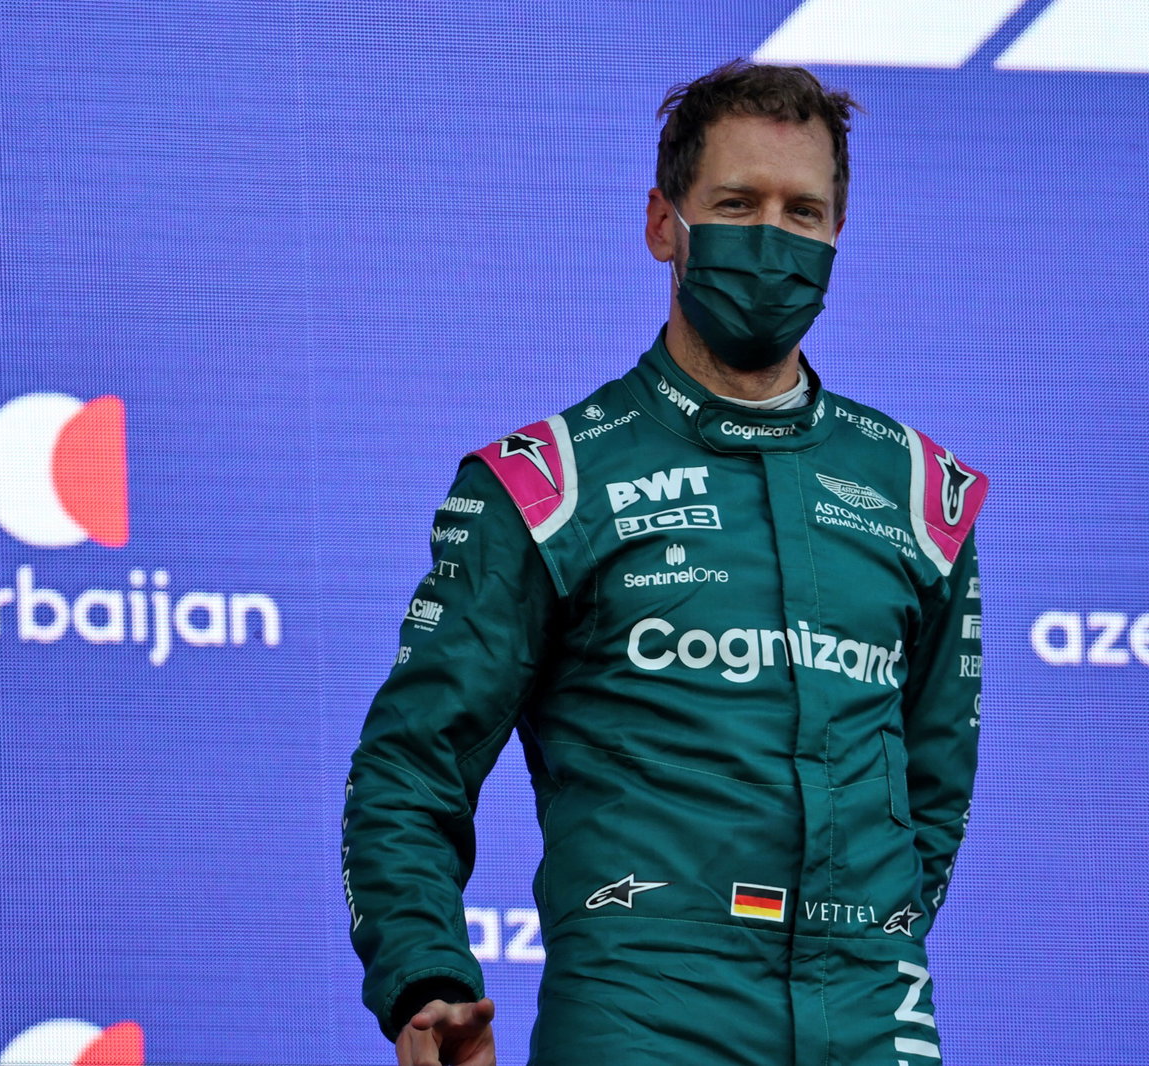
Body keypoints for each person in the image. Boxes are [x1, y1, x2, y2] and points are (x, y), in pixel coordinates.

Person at [343, 59, 988, 1066]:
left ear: (835, 234)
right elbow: (410, 761)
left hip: (870, 1014)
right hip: (641, 1010)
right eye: (735, 204)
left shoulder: (919, 493)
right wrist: (424, 973)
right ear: (663, 225)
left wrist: (868, 935)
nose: (771, 239)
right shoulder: (546, 484)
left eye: (802, 212)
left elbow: (932, 789)